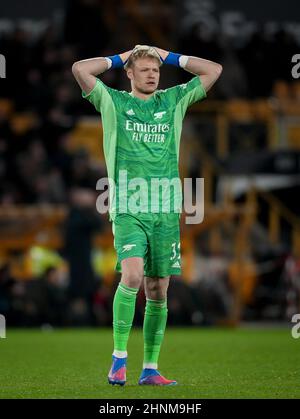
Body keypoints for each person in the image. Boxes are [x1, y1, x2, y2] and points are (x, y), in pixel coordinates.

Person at [72, 45, 222, 386]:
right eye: (144, 69)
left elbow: (213, 70)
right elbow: (80, 69)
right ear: (130, 74)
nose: (152, 74)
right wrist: (122, 56)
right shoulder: (113, 102)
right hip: (128, 207)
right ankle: (119, 359)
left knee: (158, 290)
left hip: (166, 210)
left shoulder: (172, 101)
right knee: (133, 276)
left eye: (156, 69)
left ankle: (150, 368)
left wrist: (168, 55)